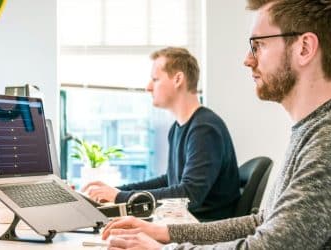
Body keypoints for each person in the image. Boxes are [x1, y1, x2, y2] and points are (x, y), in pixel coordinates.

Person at [101, 0, 331, 249]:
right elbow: (263, 222)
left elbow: (271, 246)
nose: (247, 60)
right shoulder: (310, 131)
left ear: (304, 48)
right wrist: (164, 233)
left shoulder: (325, 140)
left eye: (258, 45)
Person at [83, 47, 241, 221]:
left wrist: (120, 197)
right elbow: (170, 180)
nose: (148, 87)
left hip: (203, 230)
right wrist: (118, 191)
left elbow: (189, 196)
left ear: (178, 79)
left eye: (155, 79)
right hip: (184, 222)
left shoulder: (205, 129)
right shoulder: (178, 128)